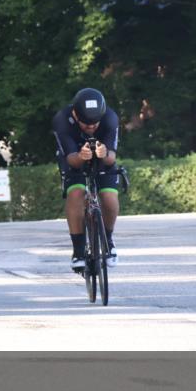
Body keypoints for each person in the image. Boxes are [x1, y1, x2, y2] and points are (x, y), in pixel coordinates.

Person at [52, 88, 121, 272]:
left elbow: (111, 158)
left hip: (102, 158)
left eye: (95, 124)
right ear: (75, 114)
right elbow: (70, 158)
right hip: (74, 158)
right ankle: (78, 251)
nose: (91, 128)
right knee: (76, 192)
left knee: (109, 197)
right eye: (85, 124)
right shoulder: (62, 120)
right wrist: (82, 157)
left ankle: (108, 240)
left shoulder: (110, 118)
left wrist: (104, 154)